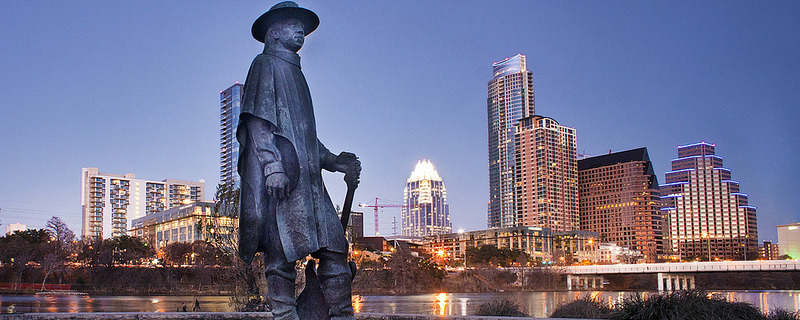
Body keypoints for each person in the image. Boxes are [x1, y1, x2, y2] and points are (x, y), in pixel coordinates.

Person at [237, 2, 359, 320]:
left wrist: (333, 161)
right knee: (280, 258)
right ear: (274, 33)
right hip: (283, 182)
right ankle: (284, 316)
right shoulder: (264, 64)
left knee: (335, 250)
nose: (300, 30)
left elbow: (305, 135)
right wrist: (273, 167)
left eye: (300, 25)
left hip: (312, 188)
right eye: (292, 25)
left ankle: (343, 315)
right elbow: (259, 124)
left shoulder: (297, 74)